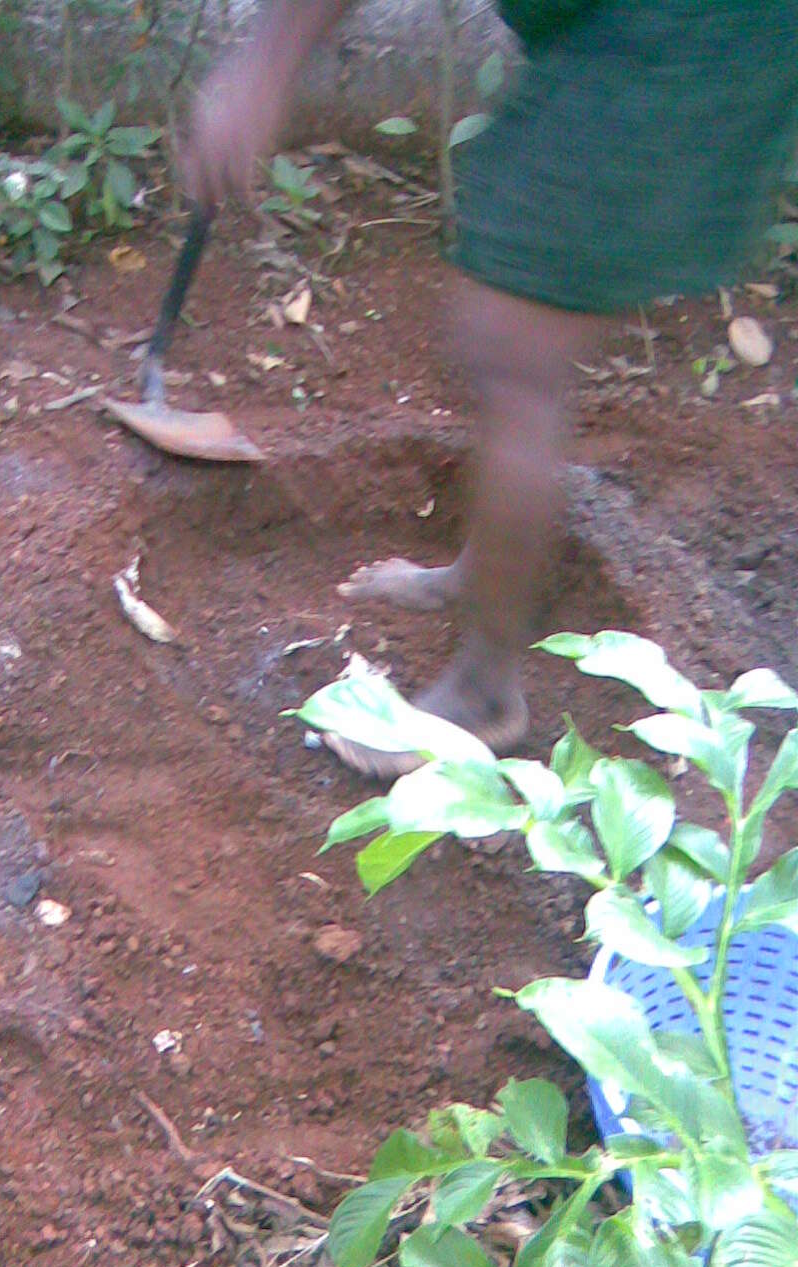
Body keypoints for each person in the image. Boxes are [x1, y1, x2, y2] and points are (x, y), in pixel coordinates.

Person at [180, 0, 798, 778]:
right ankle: (481, 575)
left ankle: (484, 696)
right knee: (509, 295)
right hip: (624, 25)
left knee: (512, 350)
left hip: (685, 27)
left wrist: (265, 68)